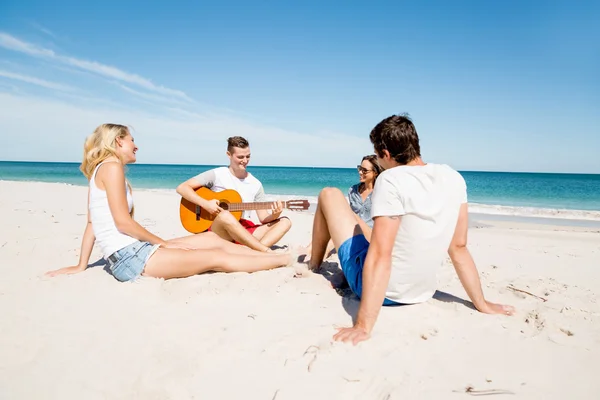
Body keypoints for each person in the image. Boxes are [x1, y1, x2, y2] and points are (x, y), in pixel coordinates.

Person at [303, 114, 515, 345]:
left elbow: (381, 254)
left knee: (329, 194)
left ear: (385, 153)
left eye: (378, 155)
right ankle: (323, 264)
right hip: (422, 291)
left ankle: (314, 264)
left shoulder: (391, 179)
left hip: (385, 293)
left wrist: (363, 326)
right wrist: (481, 303)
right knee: (356, 220)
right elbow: (458, 247)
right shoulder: (453, 177)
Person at [46, 124, 294, 281]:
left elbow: (93, 222)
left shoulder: (103, 168)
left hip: (132, 251)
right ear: (118, 142)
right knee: (216, 256)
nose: (136, 145)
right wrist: (161, 242)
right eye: (132, 140)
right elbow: (123, 223)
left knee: (213, 240)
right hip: (131, 258)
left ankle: (273, 254)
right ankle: (285, 260)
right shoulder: (112, 168)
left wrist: (81, 265)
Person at [176, 136, 291, 252]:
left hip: (245, 230)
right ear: (229, 155)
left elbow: (263, 218)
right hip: (220, 231)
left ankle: (252, 250)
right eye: (240, 157)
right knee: (225, 215)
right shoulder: (217, 174)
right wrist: (206, 204)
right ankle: (261, 250)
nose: (245, 161)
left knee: (285, 222)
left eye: (248, 156)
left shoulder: (256, 184)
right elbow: (182, 188)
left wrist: (275, 215)